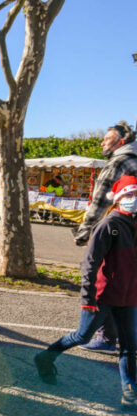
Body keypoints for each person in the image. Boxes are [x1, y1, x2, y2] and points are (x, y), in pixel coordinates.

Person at [35, 174, 137, 410]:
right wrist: (88, 298)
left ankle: (130, 390)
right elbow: (90, 264)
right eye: (130, 194)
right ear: (120, 198)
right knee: (82, 336)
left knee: (130, 346)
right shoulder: (108, 225)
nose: (134, 199)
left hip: (129, 297)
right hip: (102, 296)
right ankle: (45, 358)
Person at [73, 121, 137, 352]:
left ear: (120, 142)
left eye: (107, 138)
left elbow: (100, 202)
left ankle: (107, 338)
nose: (102, 142)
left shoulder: (118, 162)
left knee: (106, 277)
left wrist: (83, 231)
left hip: (115, 228)